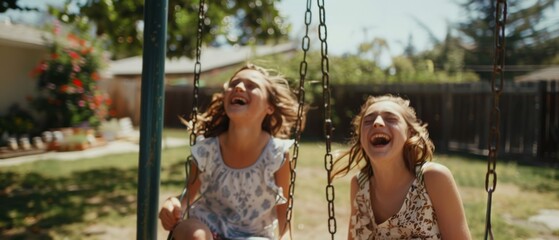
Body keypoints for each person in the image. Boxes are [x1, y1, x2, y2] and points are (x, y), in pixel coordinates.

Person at [159, 63, 303, 240]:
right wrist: (173, 204)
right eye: (234, 84)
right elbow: (187, 195)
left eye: (251, 86)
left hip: (253, 234)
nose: (239, 88)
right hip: (207, 228)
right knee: (194, 234)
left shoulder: (277, 154)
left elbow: (285, 210)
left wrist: (286, 236)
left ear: (269, 107)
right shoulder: (208, 149)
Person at [330, 94, 471, 239]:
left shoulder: (432, 178)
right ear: (361, 136)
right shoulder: (360, 185)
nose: (377, 123)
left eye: (391, 119)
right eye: (368, 120)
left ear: (409, 132)